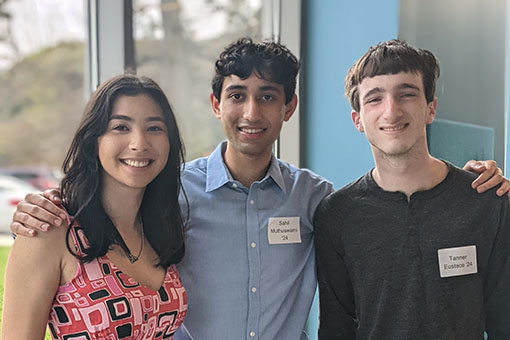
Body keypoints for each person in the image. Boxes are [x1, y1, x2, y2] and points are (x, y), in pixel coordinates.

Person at [8, 38, 510, 340]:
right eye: (237, 96)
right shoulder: (171, 196)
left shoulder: (318, 200)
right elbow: (114, 198)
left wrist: (481, 180)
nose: (252, 114)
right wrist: (53, 203)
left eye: (268, 97)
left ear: (289, 107)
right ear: (214, 103)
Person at [314, 39, 510, 339]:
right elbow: (336, 329)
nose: (391, 112)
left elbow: (504, 322)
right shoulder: (336, 215)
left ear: (430, 108)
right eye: (374, 99)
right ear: (358, 120)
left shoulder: (486, 201)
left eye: (406, 94)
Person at [1, 74, 188, 339]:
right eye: (121, 127)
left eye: (154, 128)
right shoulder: (50, 228)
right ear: (94, 139)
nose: (139, 143)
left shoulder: (163, 227)